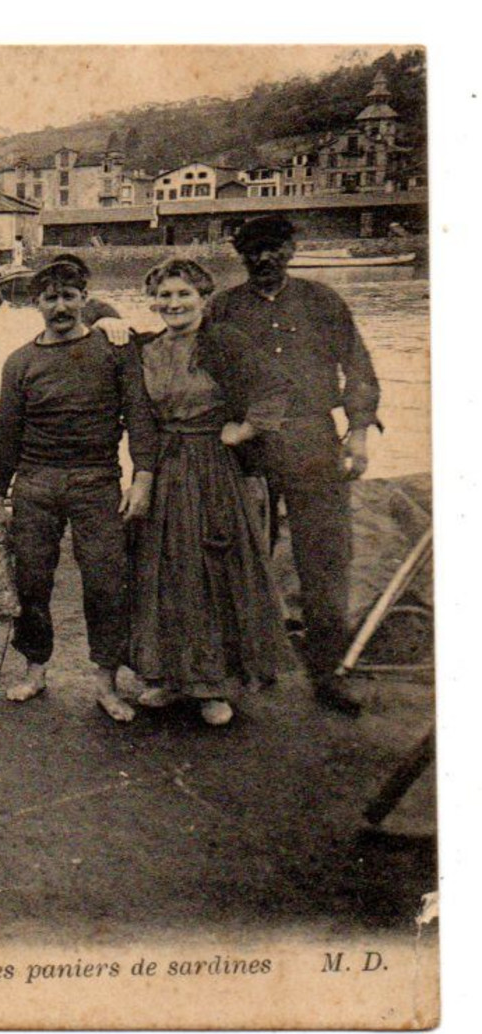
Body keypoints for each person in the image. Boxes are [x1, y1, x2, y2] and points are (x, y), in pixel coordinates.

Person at [205, 213, 380, 716]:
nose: (263, 260)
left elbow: (359, 368)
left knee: (324, 558)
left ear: (291, 249)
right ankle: (245, 668)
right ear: (241, 256)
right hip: (247, 448)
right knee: (243, 555)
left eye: (274, 249)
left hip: (312, 440)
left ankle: (330, 672)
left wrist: (359, 435)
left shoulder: (324, 302)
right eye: (253, 251)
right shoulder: (223, 308)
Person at [0, 258, 159, 723]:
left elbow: (140, 419)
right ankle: (34, 669)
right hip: (36, 483)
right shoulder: (20, 361)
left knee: (106, 583)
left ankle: (106, 682)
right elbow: (5, 434)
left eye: (69, 296)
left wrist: (142, 477)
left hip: (96, 480)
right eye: (50, 298)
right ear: (36, 304)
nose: (60, 306)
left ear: (85, 299)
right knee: (32, 580)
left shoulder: (114, 350)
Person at [129, 258, 291, 726]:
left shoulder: (224, 341)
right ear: (154, 301)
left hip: (212, 469)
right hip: (166, 466)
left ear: (202, 298)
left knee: (211, 568)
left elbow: (276, 387)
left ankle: (212, 687)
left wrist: (240, 431)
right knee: (163, 570)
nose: (173, 304)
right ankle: (167, 677)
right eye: (165, 295)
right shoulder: (149, 349)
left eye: (183, 294)